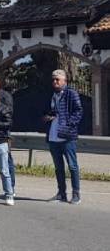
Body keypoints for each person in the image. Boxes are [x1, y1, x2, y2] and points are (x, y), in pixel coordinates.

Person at [45, 69, 83, 205]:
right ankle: (61, 193)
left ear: (64, 81)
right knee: (58, 167)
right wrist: (48, 117)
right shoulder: (52, 95)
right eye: (53, 79)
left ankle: (76, 194)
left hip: (67, 136)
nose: (55, 82)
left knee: (72, 166)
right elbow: (52, 111)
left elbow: (78, 111)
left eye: (58, 79)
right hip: (53, 136)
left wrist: (68, 124)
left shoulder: (71, 93)